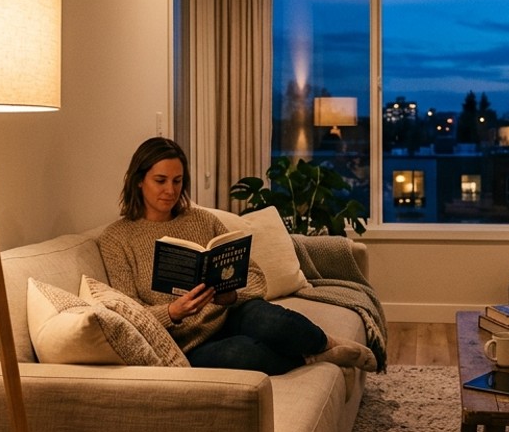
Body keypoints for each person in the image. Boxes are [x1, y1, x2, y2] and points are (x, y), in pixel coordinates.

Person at [99, 137, 377, 375]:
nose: (170, 190)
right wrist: (173, 312)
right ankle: (314, 359)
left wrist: (229, 295)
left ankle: (326, 343)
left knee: (274, 322)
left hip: (229, 313)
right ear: (138, 181)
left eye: (177, 181)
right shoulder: (116, 239)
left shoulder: (201, 221)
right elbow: (128, 313)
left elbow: (257, 279)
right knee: (244, 355)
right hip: (185, 342)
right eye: (160, 181)